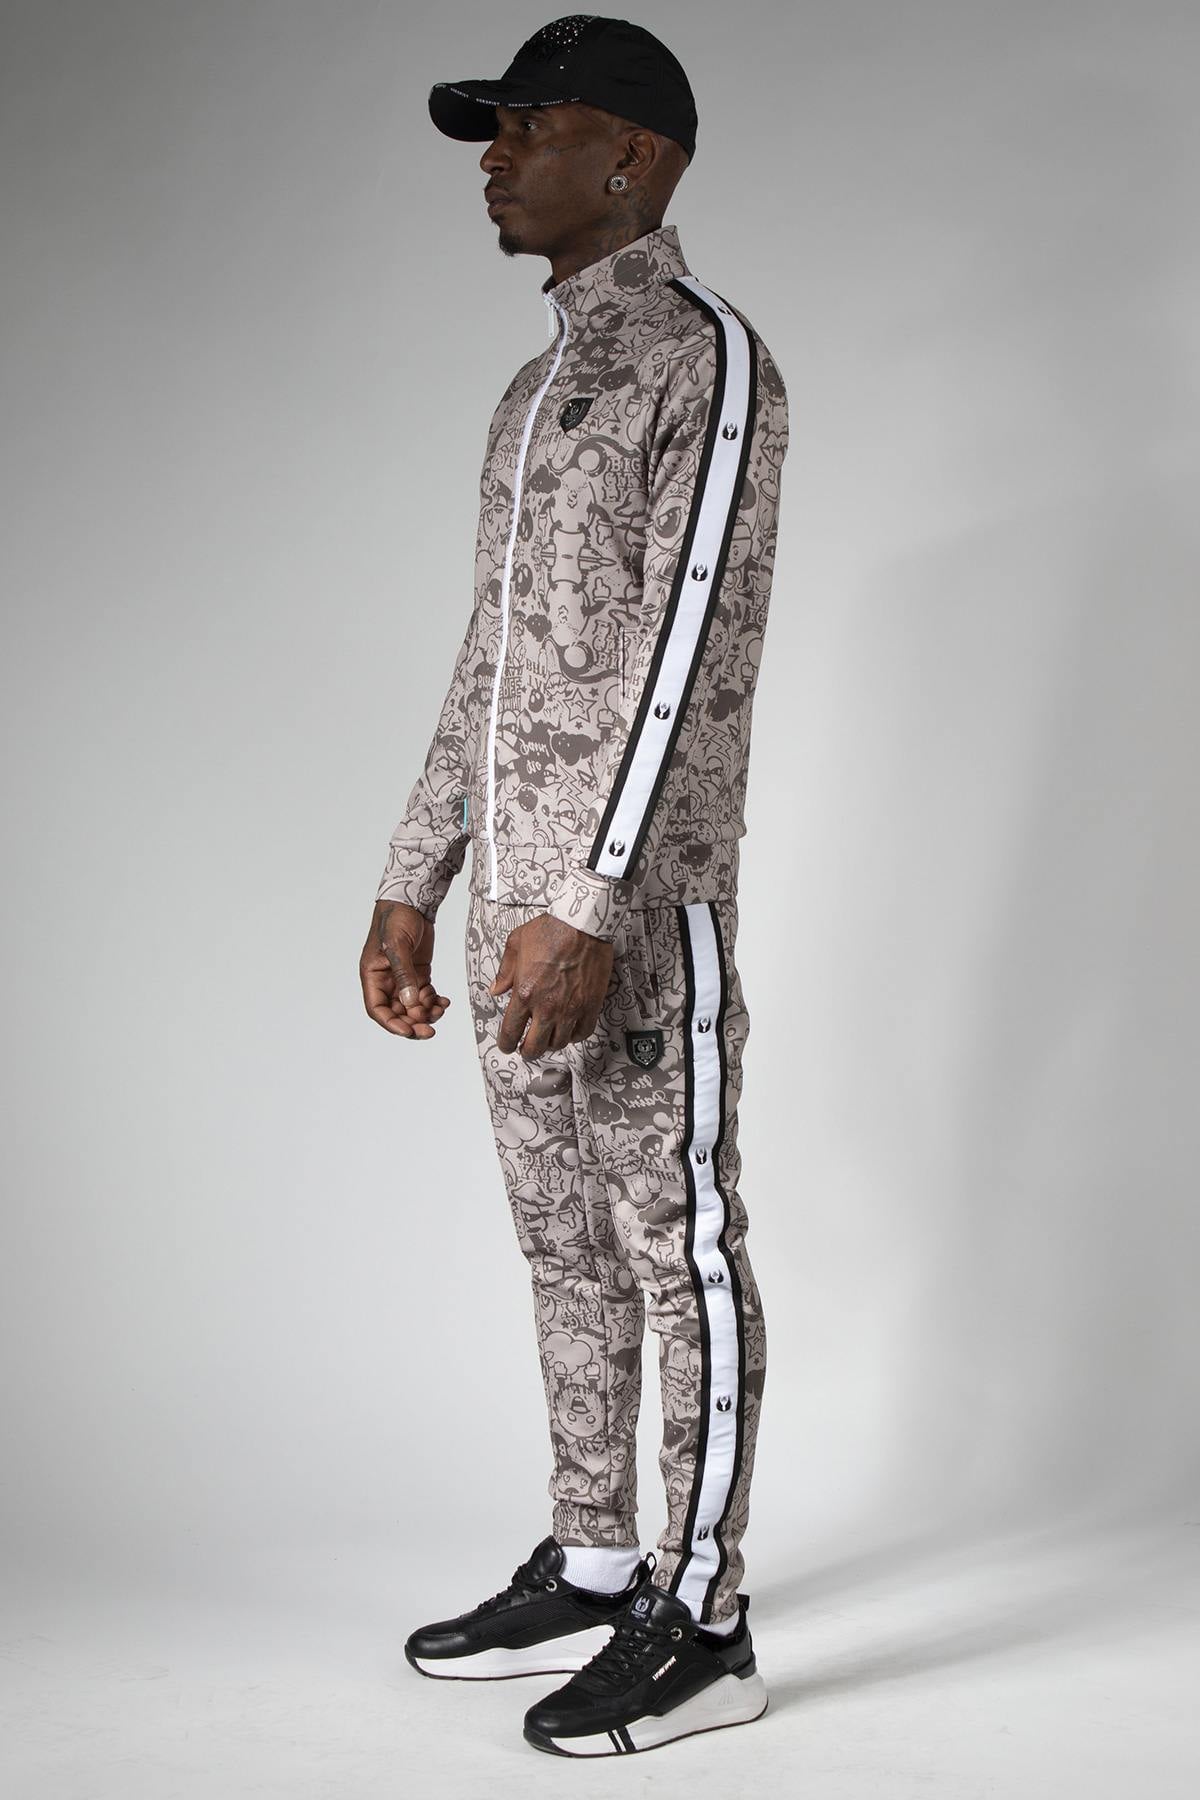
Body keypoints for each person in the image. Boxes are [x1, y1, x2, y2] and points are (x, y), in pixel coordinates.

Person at [358, 14, 789, 1758]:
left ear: (633, 157)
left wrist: (595, 904)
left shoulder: (707, 358)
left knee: (678, 1246)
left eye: (527, 125)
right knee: (563, 1248)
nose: (495, 156)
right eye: (493, 129)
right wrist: (414, 877)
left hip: (631, 917)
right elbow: (494, 658)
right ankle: (600, 1556)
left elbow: (689, 650)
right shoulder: (534, 395)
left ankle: (710, 1620)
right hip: (510, 912)